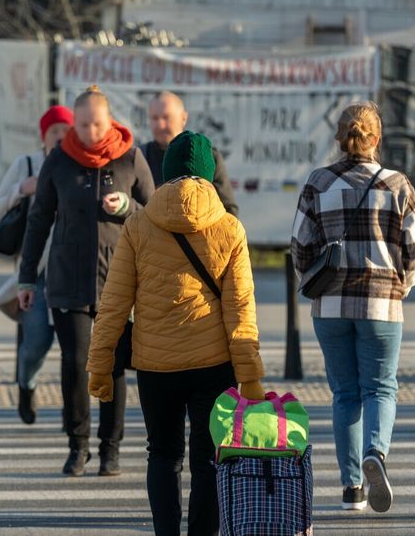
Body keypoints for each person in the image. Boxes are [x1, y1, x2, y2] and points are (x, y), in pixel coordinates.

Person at [88, 130, 264, 536]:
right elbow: (241, 309)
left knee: (163, 455)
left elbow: (113, 303)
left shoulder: (137, 225)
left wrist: (100, 366)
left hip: (155, 365)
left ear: (166, 175)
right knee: (208, 459)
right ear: (209, 173)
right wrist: (250, 375)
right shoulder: (230, 229)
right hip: (214, 364)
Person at [290, 102, 415, 513]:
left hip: (330, 305)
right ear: (376, 138)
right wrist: (402, 286)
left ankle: (352, 489)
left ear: (339, 137)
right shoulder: (398, 185)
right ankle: (375, 455)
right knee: (380, 387)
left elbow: (300, 245)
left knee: (344, 393)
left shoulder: (318, 183)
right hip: (381, 305)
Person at [17, 85, 154, 477]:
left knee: (112, 365)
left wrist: (129, 207)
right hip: (68, 278)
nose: (90, 131)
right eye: (82, 124)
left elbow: (157, 212)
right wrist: (27, 278)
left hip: (121, 279)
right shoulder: (59, 160)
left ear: (109, 120)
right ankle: (77, 446)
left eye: (97, 123)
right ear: (73, 123)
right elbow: (39, 220)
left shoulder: (130, 158)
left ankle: (110, 448)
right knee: (76, 363)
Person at [0, 105, 73, 424]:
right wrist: (21, 190)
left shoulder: (81, 164)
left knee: (75, 349)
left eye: (67, 131)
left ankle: (73, 408)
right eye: (55, 132)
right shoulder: (26, 165)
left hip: (71, 270)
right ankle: (27, 384)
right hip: (34, 271)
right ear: (43, 136)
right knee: (37, 341)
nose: (61, 138)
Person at [141, 91, 238, 215]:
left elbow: (229, 211)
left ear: (183, 118)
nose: (160, 125)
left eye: (166, 117)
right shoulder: (140, 157)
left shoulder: (207, 157)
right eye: (155, 118)